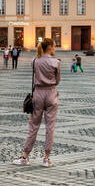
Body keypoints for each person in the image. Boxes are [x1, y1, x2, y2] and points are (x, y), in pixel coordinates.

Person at [14, 38, 61, 168]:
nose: (55, 48)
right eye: (54, 46)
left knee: (33, 126)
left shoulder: (34, 61)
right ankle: (46, 158)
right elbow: (57, 81)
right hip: (51, 93)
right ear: (50, 47)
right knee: (50, 127)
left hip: (38, 94)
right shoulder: (56, 62)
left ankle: (25, 156)